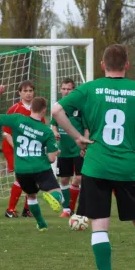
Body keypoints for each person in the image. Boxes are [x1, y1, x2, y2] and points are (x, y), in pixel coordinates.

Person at [53, 44, 135, 270]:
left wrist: (77, 137)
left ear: (102, 65)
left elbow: (56, 110)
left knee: (100, 225)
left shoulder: (90, 88)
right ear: (127, 65)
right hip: (128, 167)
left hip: (96, 166)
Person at [0, 86, 63, 231]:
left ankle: (41, 223)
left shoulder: (18, 119)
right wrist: (56, 152)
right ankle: (53, 196)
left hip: (22, 170)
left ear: (31, 109)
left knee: (31, 196)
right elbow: (51, 159)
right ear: (43, 111)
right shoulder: (46, 131)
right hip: (40, 167)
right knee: (60, 196)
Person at [2, 80, 45, 218]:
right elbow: (6, 132)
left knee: (33, 178)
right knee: (21, 177)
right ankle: (10, 210)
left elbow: (41, 131)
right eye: (25, 91)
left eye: (30, 91)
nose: (28, 94)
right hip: (13, 149)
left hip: (31, 150)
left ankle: (27, 210)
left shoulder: (38, 111)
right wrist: (18, 148)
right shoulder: (13, 110)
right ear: (19, 93)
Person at [51, 78, 84, 217]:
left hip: (77, 148)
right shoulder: (58, 107)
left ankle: (75, 208)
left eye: (68, 89)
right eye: (63, 89)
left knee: (80, 178)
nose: (66, 91)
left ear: (73, 90)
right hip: (63, 150)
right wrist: (55, 132)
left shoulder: (80, 107)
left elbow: (86, 127)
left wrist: (85, 144)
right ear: (60, 90)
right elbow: (53, 125)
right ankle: (67, 209)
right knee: (64, 179)